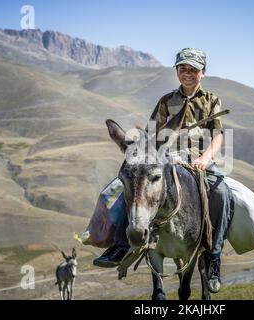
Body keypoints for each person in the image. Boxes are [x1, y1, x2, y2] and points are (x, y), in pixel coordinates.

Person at [93, 48, 233, 293]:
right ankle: (121, 243)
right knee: (132, 185)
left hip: (201, 161)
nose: (187, 74)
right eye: (182, 69)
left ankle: (213, 256)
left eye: (193, 69)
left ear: (203, 72)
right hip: (167, 158)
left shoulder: (212, 100)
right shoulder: (166, 101)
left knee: (221, 193)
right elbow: (151, 136)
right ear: (177, 71)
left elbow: (218, 136)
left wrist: (204, 158)